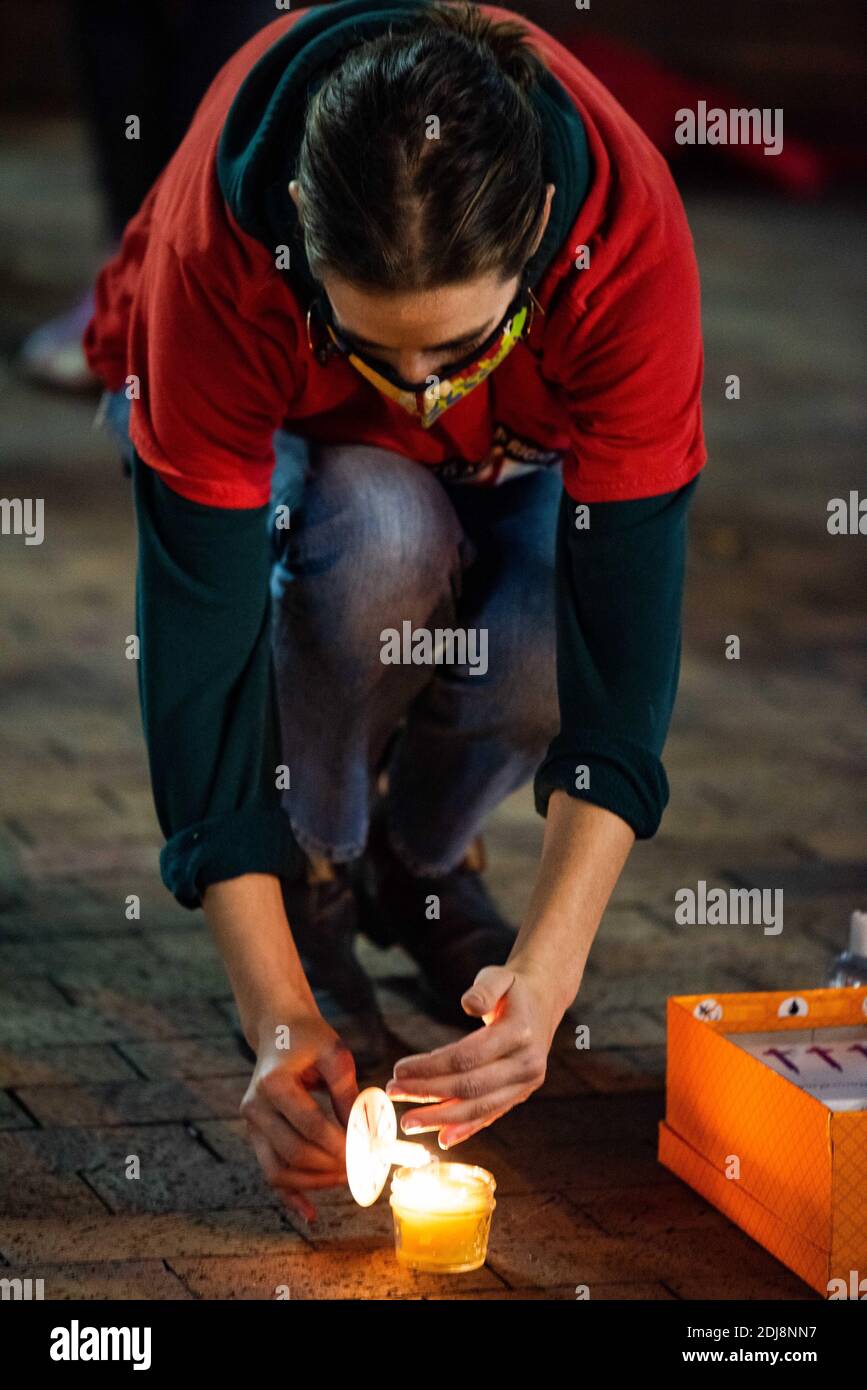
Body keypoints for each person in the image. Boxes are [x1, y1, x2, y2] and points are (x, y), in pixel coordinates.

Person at [85, 0, 706, 1223]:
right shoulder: (226, 252)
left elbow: (624, 641)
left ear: (535, 231)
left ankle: (420, 866)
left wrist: (544, 970)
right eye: (372, 344)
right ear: (304, 240)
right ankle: (315, 868)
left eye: (460, 345)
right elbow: (197, 667)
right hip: (302, 461)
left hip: (515, 455)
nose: (421, 394)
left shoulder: (622, 235)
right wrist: (272, 1016)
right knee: (384, 530)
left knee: (538, 631)